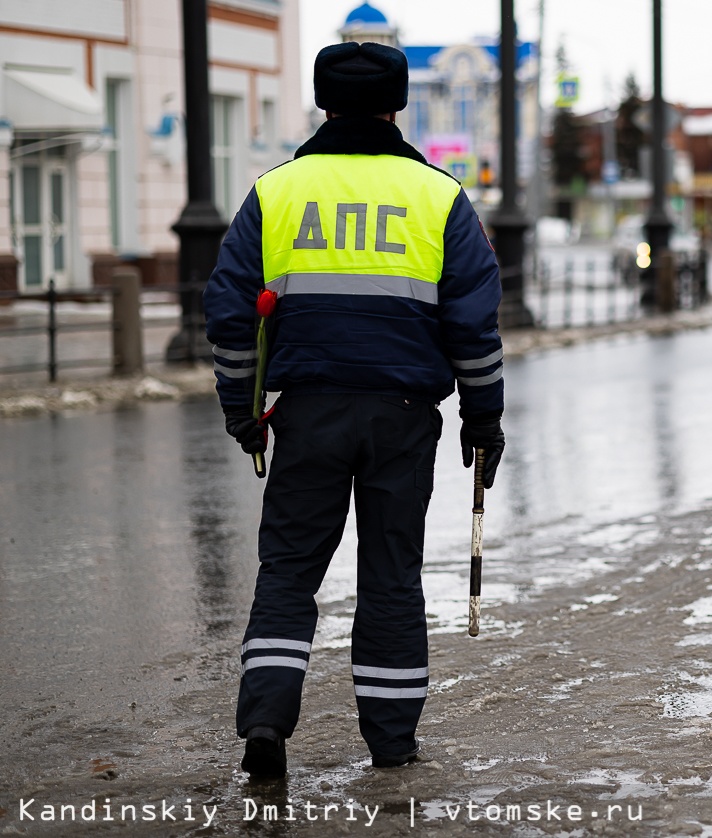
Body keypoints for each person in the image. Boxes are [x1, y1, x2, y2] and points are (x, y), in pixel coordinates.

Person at [204, 41, 506, 778]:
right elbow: (474, 325)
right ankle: (392, 742)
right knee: (391, 577)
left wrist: (243, 411)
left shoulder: (275, 193)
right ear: (398, 105)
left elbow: (230, 315)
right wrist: (483, 420)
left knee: (288, 573)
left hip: (307, 413)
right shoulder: (438, 196)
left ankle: (267, 722)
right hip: (403, 417)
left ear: (322, 102)